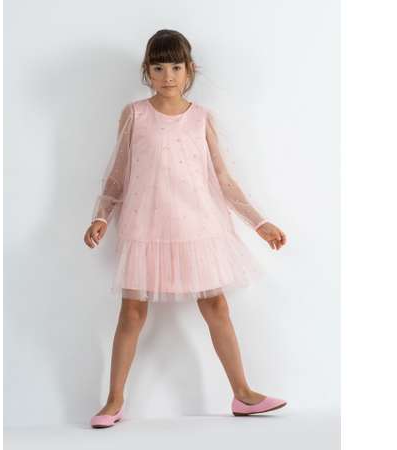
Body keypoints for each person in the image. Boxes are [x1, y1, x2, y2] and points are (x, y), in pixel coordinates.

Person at [83, 29, 288, 428]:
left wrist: (260, 223)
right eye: (159, 68)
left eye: (176, 67)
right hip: (146, 228)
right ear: (147, 70)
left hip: (198, 226)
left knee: (216, 306)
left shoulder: (202, 118)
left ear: (190, 69)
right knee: (132, 312)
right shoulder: (135, 115)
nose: (168, 76)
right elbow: (117, 176)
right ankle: (113, 400)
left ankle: (243, 393)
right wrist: (101, 217)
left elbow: (224, 179)